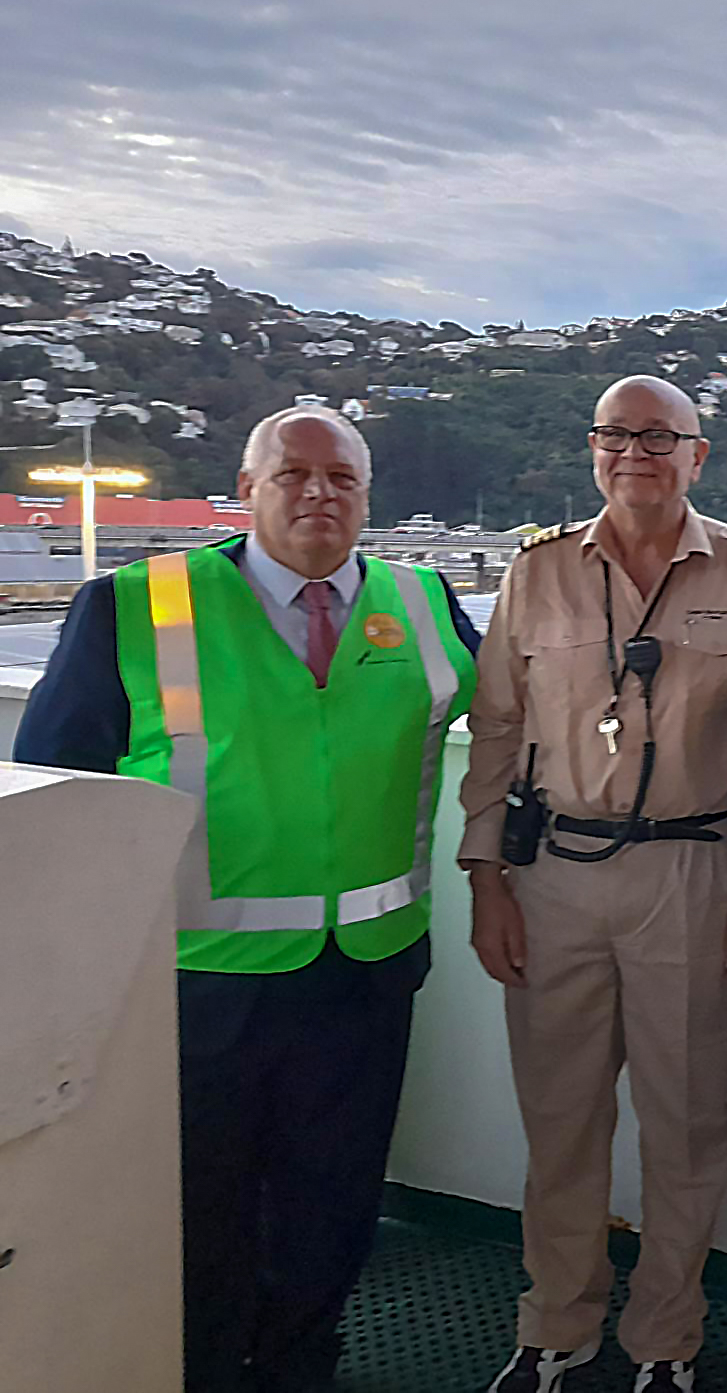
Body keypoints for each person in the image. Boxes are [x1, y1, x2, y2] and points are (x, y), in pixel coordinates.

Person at [13, 404, 480, 1392]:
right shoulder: (134, 605)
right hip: (196, 983)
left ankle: (302, 1365)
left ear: (366, 493)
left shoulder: (428, 602)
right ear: (248, 485)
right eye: (293, 475)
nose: (318, 495)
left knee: (334, 1205)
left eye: (341, 478)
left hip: (366, 976)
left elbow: (532, 718)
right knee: (200, 1210)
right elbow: (59, 786)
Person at [461, 375, 727, 1393]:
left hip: (695, 877)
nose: (635, 451)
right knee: (560, 1119)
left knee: (687, 1124)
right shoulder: (537, 573)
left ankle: (665, 1342)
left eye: (660, 436)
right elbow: (498, 732)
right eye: (616, 433)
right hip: (554, 873)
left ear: (699, 455)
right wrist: (485, 878)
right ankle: (555, 1325)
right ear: (591, 448)